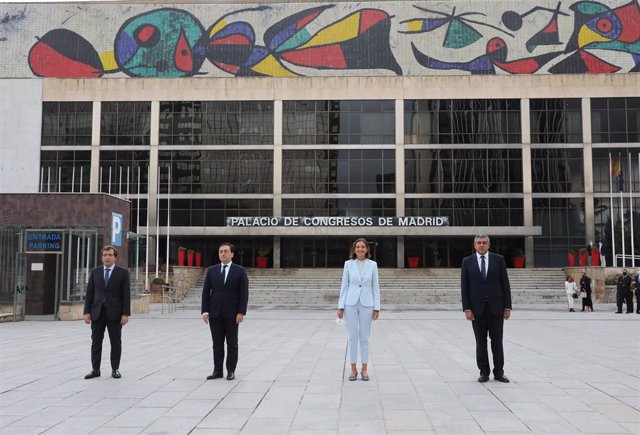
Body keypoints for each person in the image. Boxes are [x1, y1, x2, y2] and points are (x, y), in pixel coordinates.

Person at [461, 234, 512, 383]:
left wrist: (507, 307)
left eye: (484, 243)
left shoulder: (499, 260)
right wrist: (467, 309)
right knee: (480, 342)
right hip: (477, 310)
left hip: (496, 309)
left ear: (488, 245)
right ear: (474, 245)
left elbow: (505, 284)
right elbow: (465, 287)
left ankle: (499, 372)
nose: (481, 245)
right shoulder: (467, 262)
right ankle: (484, 372)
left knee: (497, 342)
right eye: (479, 243)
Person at [201, 242, 249, 381]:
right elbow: (205, 293)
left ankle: (231, 371)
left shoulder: (240, 271)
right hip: (215, 313)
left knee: (232, 343)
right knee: (217, 344)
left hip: (232, 314)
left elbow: (244, 293)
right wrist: (205, 311)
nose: (223, 253)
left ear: (232, 254)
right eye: (221, 251)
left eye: (226, 251)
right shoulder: (212, 270)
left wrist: (241, 312)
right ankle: (217, 371)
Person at [83, 245, 131, 379]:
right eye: (104, 255)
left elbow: (126, 295)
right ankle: (95, 369)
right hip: (97, 312)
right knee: (96, 341)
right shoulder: (95, 272)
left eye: (110, 255)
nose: (107, 257)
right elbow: (90, 293)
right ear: (102, 257)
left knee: (115, 342)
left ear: (115, 257)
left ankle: (115, 369)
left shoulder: (122, 272)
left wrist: (125, 313)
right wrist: (87, 311)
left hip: (115, 313)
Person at [337, 238, 381, 382]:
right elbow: (344, 285)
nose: (360, 249)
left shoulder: (373, 265)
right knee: (351, 337)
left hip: (367, 304)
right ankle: (353, 368)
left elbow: (375, 287)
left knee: (365, 337)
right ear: (354, 250)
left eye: (363, 247)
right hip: (350, 303)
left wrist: (377, 307)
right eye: (357, 247)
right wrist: (340, 306)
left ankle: (365, 368)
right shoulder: (348, 265)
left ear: (367, 249)